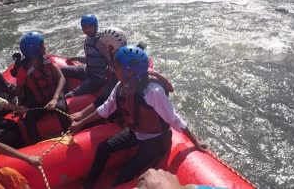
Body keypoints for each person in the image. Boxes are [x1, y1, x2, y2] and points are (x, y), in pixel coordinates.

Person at [70, 45, 207, 188]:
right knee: (103, 148)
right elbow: (106, 109)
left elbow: (174, 119)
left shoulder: (153, 91)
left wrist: (195, 141)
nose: (112, 69)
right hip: (135, 132)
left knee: (124, 176)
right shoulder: (121, 86)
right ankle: (88, 185)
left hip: (156, 140)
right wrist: (80, 123)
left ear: (128, 72)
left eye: (116, 67)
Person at [16, 31, 71, 144]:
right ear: (34, 50)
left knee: (62, 108)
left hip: (54, 97)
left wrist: (55, 99)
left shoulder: (48, 60)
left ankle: (69, 135)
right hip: (38, 103)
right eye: (42, 45)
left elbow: (62, 78)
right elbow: (20, 90)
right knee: (28, 120)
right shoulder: (23, 70)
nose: (45, 46)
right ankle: (36, 145)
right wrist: (20, 107)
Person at [61, 14, 109, 98]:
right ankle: (61, 91)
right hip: (87, 70)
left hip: (98, 77)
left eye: (90, 26)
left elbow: (109, 59)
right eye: (85, 27)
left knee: (73, 93)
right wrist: (77, 58)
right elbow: (90, 58)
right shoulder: (88, 39)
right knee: (62, 70)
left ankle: (64, 99)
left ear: (95, 25)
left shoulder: (100, 41)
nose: (88, 29)